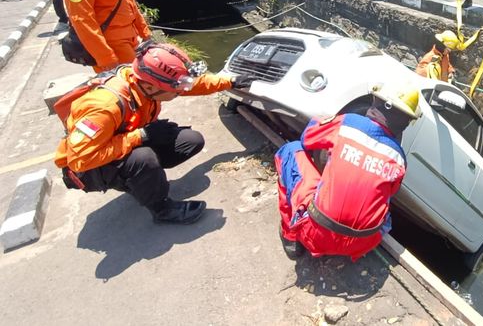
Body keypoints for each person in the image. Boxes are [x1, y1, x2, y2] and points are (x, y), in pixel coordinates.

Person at [55, 41, 253, 225]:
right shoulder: (104, 107)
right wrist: (141, 136)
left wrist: (230, 81)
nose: (180, 92)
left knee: (190, 141)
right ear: (150, 86)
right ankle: (162, 209)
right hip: (89, 167)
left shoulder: (144, 81)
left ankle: (139, 181)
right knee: (144, 158)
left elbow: (190, 85)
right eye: (175, 90)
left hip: (120, 141)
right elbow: (81, 160)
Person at [274, 83, 421, 260]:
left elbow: (307, 139)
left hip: (316, 234)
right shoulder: (399, 158)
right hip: (361, 244)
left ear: (380, 104)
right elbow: (389, 191)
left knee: (290, 150)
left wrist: (323, 119)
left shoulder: (349, 123)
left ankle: (290, 236)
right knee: (384, 212)